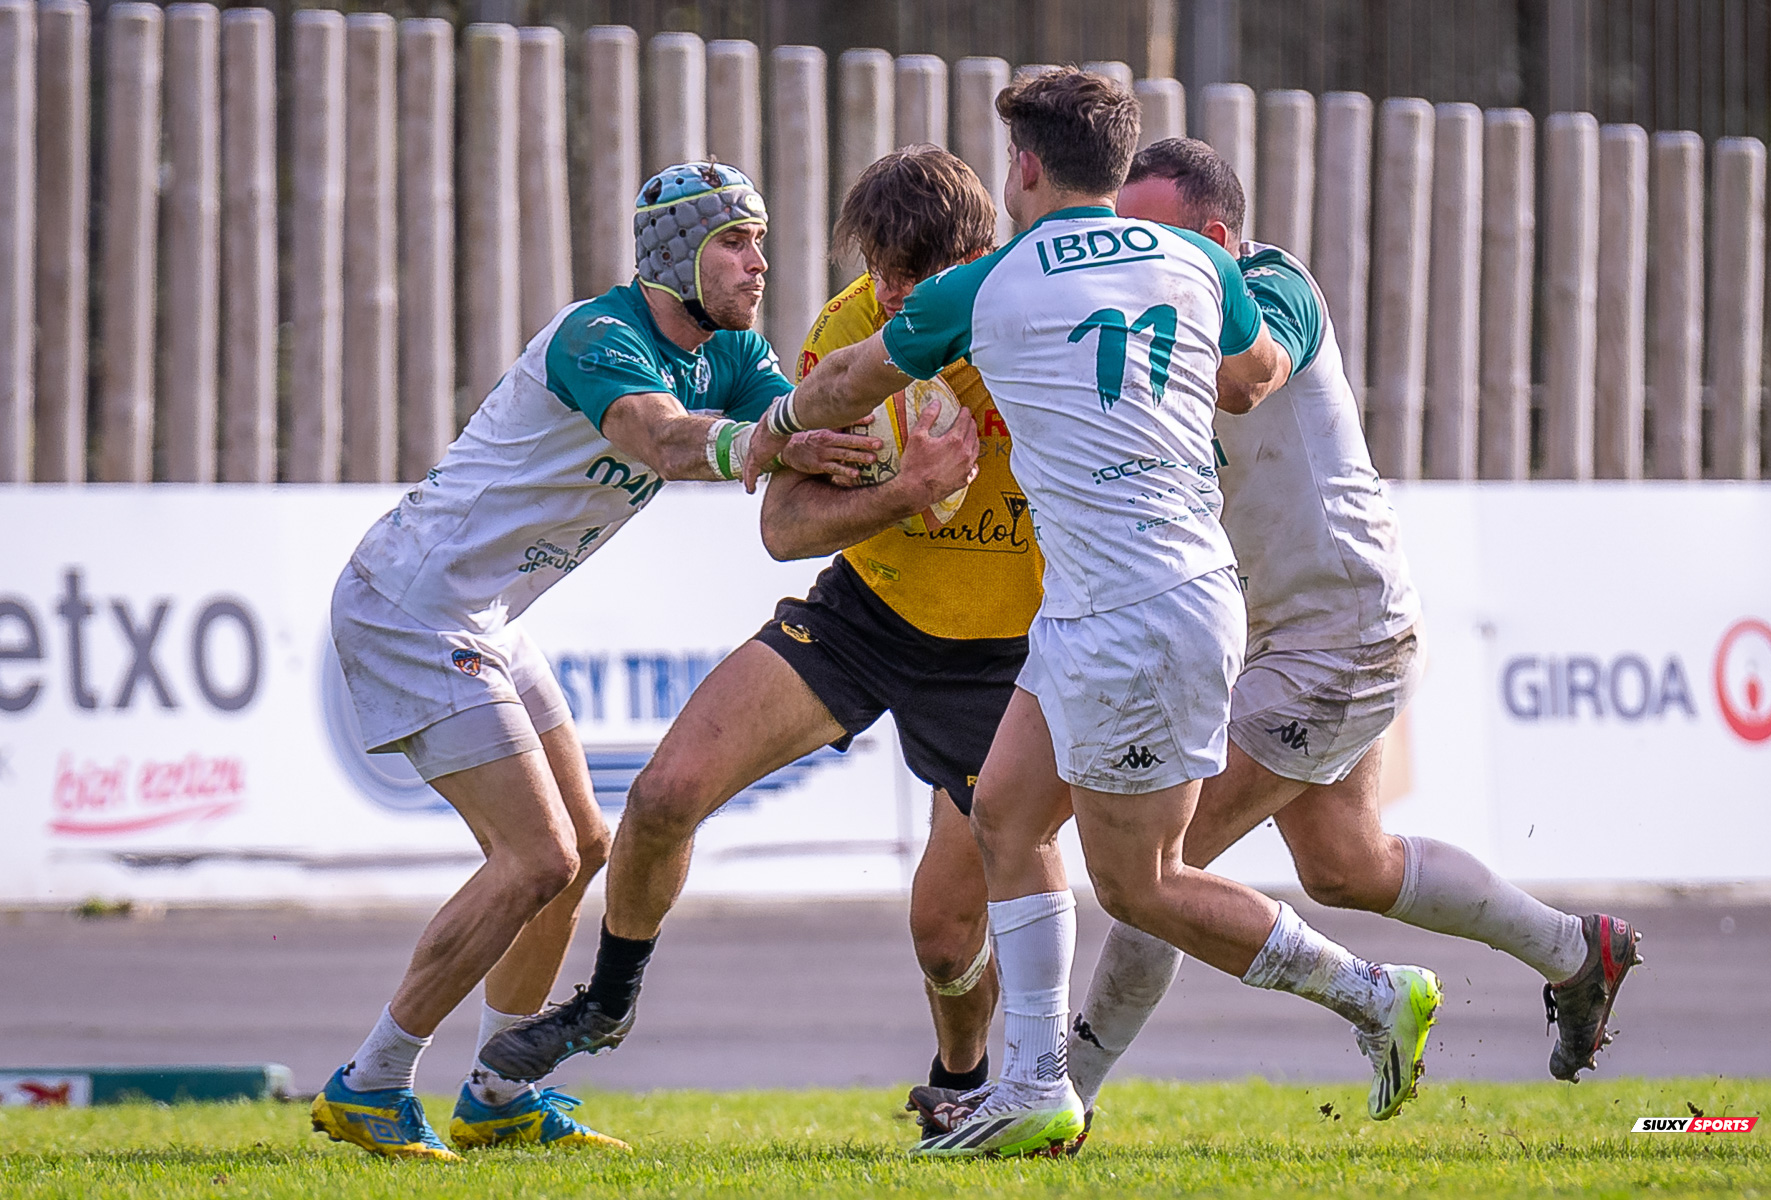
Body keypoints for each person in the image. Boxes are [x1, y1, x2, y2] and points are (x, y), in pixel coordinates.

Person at [744, 69, 1445, 1158]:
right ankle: (1033, 1085)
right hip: (1114, 603)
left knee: (1144, 883)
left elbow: (847, 386)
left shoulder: (984, 284)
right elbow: (1255, 379)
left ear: (1024, 165)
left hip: (1135, 611)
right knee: (1006, 818)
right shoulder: (1206, 262)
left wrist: (773, 427)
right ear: (1116, 166)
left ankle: (1374, 993)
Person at [1034, 139, 1641, 1134]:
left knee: (1159, 865)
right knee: (1345, 865)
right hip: (1304, 633)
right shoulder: (1150, 318)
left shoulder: (1273, 286)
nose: (1126, 251)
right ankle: (1579, 951)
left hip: (1339, 637)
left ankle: (1064, 1091)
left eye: (1147, 233)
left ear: (1218, 241)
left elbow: (1242, 383)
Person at [311, 161, 865, 1161]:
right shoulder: (599, 336)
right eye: (736, 240)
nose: (760, 260)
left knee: (588, 852)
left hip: (483, 614)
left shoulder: (732, 351)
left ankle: (494, 1090)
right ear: (677, 256)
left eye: (762, 237)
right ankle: (371, 1080)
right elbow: (660, 440)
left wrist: (883, 455)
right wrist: (782, 440)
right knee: (538, 859)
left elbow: (801, 428)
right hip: (410, 608)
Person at [477, 146, 1037, 1102]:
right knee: (662, 796)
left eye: (921, 277)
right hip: (867, 617)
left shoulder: (1035, 337)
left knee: (945, 936)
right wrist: (904, 493)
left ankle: (963, 1077)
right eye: (882, 271)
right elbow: (783, 528)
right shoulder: (850, 331)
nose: (897, 296)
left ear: (978, 259)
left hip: (1001, 656)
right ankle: (609, 1000)